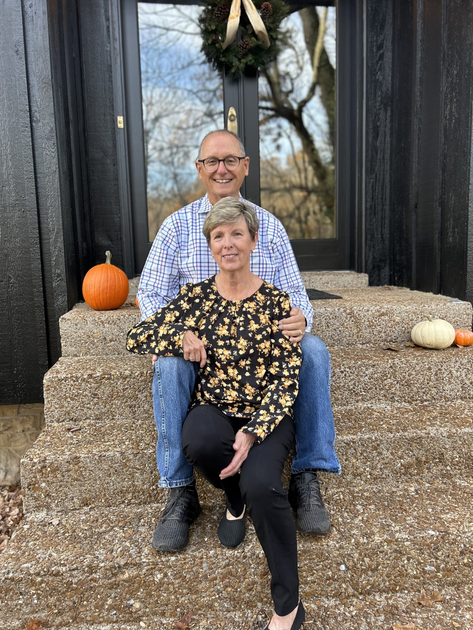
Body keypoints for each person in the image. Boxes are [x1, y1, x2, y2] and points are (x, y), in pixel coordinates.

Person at [137, 129, 340, 553]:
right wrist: (177, 335)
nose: (221, 169)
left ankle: (306, 474)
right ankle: (180, 491)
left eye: (230, 160)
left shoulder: (269, 226)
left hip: (262, 351)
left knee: (315, 351)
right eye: (212, 161)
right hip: (202, 350)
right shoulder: (176, 227)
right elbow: (152, 294)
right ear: (199, 169)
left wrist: (302, 316)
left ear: (246, 166)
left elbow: (295, 292)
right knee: (168, 363)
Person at [128, 198, 306, 630]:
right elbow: (137, 336)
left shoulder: (278, 304)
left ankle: (289, 605)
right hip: (214, 408)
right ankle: (231, 497)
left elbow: (286, 380)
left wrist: (252, 433)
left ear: (253, 241)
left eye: (237, 234)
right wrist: (180, 333)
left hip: (266, 417)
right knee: (200, 440)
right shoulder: (195, 299)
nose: (228, 244)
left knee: (263, 486)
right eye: (218, 236)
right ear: (210, 246)